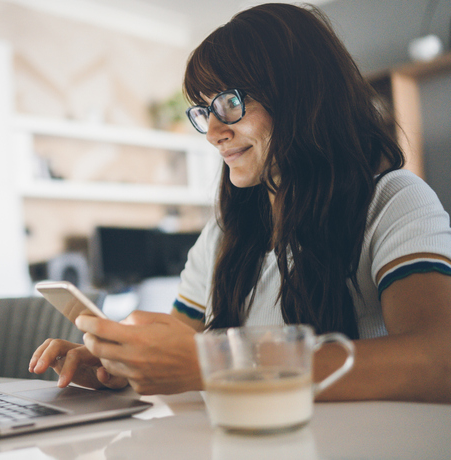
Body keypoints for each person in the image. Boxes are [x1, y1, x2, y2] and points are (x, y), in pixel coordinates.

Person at [29, 3, 451, 402]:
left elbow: (438, 361)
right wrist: (122, 364)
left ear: (301, 94)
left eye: (229, 103)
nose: (212, 132)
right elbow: (178, 348)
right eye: (203, 110)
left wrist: (219, 364)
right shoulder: (224, 232)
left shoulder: (392, 201)